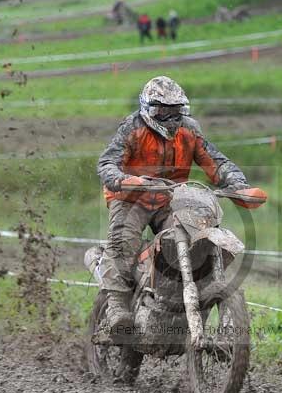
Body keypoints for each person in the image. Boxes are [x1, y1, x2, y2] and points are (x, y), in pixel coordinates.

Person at [96, 75, 251, 331]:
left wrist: (237, 183)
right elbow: (106, 163)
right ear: (148, 109)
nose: (169, 117)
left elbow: (216, 161)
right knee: (124, 241)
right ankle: (117, 308)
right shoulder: (132, 128)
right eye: (162, 110)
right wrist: (123, 179)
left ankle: (175, 296)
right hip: (130, 197)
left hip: (170, 198)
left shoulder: (189, 130)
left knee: (194, 237)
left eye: (175, 111)